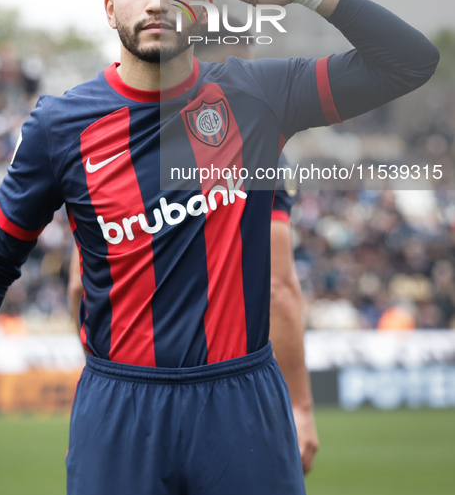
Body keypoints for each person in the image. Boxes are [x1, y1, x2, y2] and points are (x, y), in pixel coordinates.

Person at [0, 0, 439, 495]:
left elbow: (411, 63)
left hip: (242, 404)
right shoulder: (60, 126)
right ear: (109, 8)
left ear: (204, 4)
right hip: (120, 411)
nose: (157, 1)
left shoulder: (257, 95)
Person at [67, 175, 319, 476]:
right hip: (229, 393)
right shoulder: (254, 140)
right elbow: (276, 288)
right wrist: (299, 407)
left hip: (125, 395)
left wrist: (103, 384)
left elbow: (78, 288)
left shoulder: (105, 147)